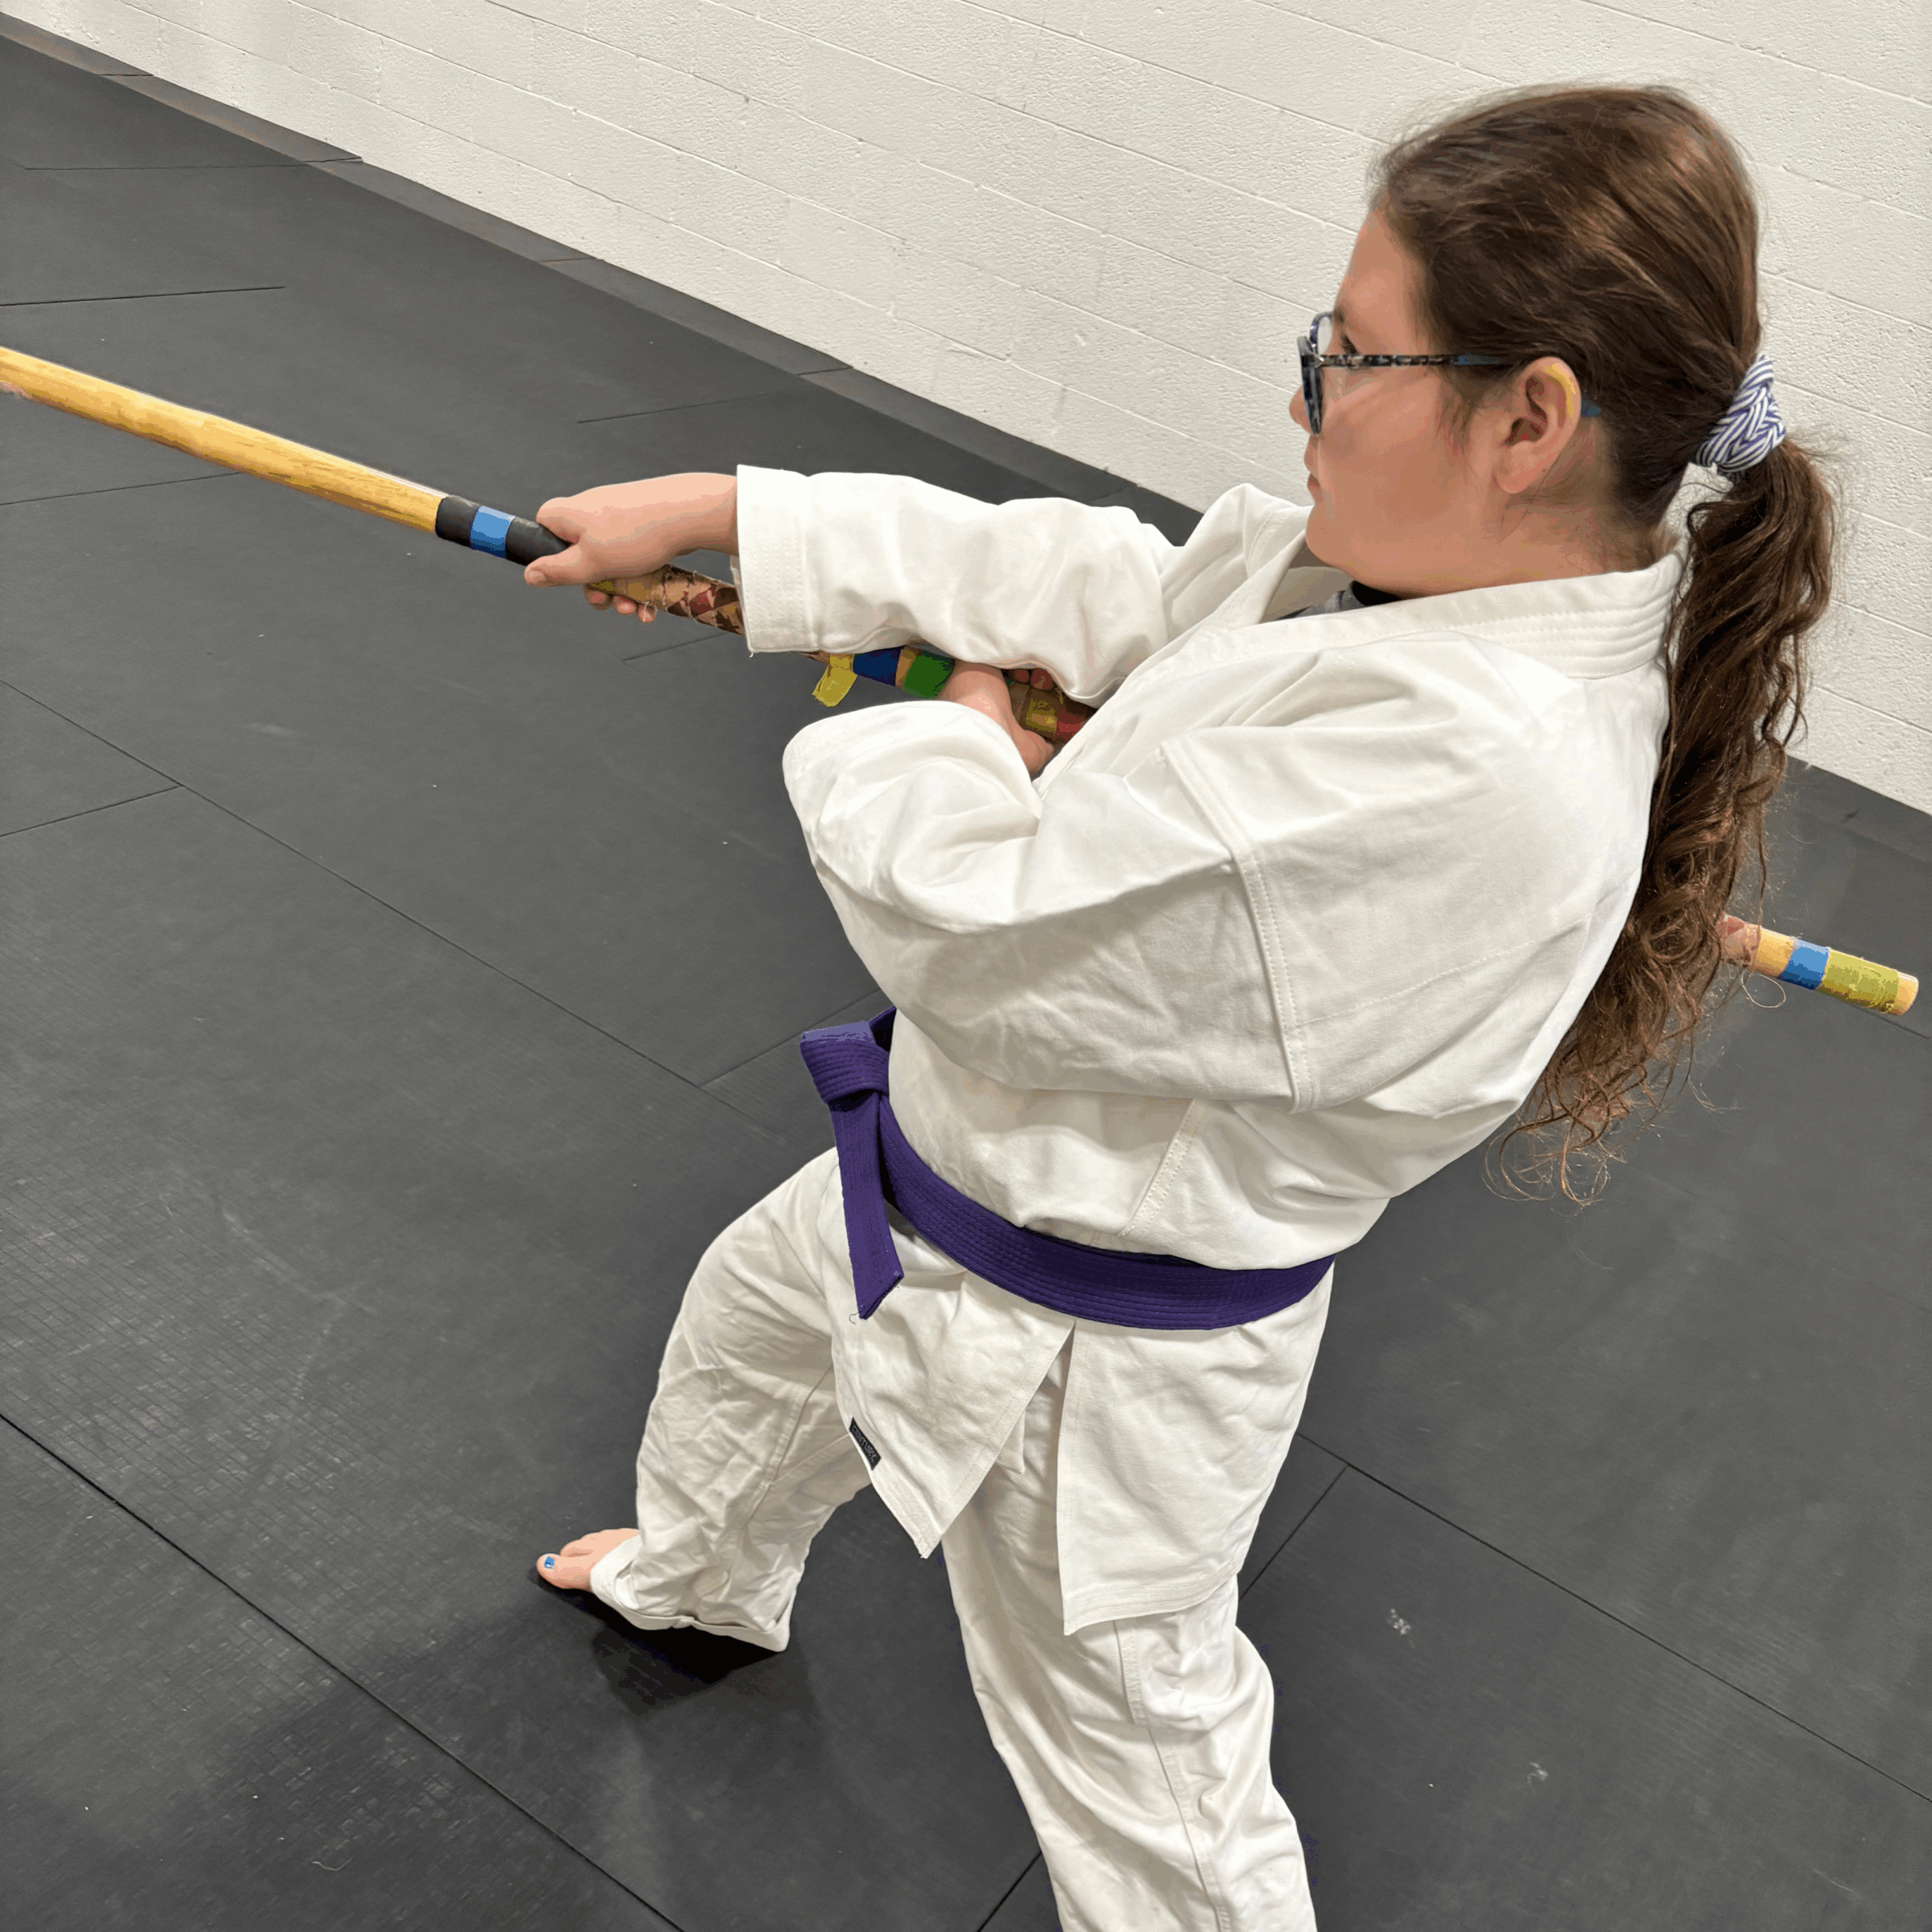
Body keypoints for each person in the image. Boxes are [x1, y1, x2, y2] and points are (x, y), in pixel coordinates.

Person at [522, 85, 1832, 1929]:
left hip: (1089, 1360)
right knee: (750, 1335)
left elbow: (979, 919)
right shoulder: (1412, 584)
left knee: (1142, 1768)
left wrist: (957, 726)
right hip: (934, 1189)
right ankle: (699, 1573)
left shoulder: (1469, 769)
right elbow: (1128, 585)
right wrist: (748, 517)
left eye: (1353, 355)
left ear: (1527, 418)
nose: (1305, 394)